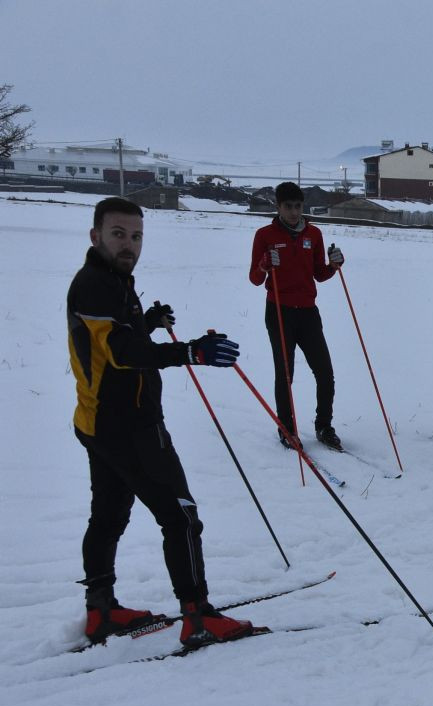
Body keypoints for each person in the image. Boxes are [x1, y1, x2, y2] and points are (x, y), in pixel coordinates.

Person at [68, 197, 256, 648]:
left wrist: (146, 321)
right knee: (181, 518)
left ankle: (101, 611)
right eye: (118, 234)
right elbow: (122, 353)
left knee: (109, 516)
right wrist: (190, 352)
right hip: (131, 427)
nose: (128, 244)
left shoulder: (113, 279)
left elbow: (119, 337)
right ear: (96, 236)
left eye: (135, 236)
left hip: (100, 424)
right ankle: (198, 617)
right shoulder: (96, 285)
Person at [248, 181, 345, 450]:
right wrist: (264, 265)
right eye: (288, 206)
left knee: (325, 372)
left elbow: (319, 273)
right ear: (278, 207)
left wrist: (334, 266)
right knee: (285, 373)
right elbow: (255, 279)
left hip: (308, 312)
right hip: (279, 310)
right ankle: (286, 428)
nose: (293, 212)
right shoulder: (265, 235)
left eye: (298, 206)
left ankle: (324, 425)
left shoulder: (313, 234)